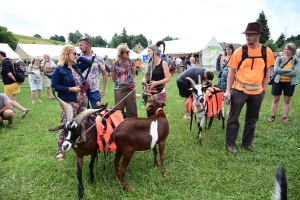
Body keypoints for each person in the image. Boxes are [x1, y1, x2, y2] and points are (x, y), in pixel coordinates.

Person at [223, 22, 275, 154]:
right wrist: (228, 91)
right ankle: (230, 143)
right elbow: (231, 72)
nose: (247, 37)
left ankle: (247, 143)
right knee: (234, 118)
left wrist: (263, 90)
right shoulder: (240, 51)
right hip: (239, 89)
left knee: (252, 119)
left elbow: (267, 71)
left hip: (257, 91)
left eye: (250, 34)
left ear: (258, 35)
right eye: (246, 34)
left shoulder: (266, 51)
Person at [52, 45, 92, 161]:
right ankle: (60, 151)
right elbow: (54, 86)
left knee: (80, 124)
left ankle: (76, 144)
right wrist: (70, 89)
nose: (77, 55)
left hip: (83, 100)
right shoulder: (59, 69)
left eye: (77, 53)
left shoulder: (76, 67)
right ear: (66, 54)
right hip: (70, 101)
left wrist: (77, 57)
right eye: (74, 53)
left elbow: (88, 63)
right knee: (66, 124)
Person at [267, 43, 299, 124]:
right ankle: (273, 116)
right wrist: (289, 70)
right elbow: (276, 70)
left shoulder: (296, 60)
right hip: (278, 81)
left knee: (287, 100)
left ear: (292, 50)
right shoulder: (279, 59)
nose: (286, 51)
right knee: (275, 99)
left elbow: (295, 72)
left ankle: (285, 117)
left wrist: (281, 71)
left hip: (290, 83)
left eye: (288, 49)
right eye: (285, 49)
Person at [142, 41, 170, 117]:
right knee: (150, 115)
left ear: (154, 51)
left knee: (158, 115)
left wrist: (156, 83)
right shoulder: (148, 64)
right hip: (149, 94)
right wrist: (144, 80)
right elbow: (144, 77)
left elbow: (168, 78)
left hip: (159, 93)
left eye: (149, 51)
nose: (148, 53)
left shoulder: (163, 63)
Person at [78, 37, 107, 109]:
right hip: (82, 89)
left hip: (94, 90)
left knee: (97, 111)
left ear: (88, 46)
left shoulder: (99, 58)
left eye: (81, 45)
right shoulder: (77, 58)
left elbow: (104, 74)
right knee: (84, 112)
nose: (79, 47)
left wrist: (103, 89)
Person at [111, 43, 137, 118]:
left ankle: (132, 127)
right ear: (121, 53)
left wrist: (129, 83)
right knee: (118, 111)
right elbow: (113, 77)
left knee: (132, 110)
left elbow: (133, 75)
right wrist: (121, 84)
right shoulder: (115, 64)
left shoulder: (132, 62)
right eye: (127, 52)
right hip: (119, 90)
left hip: (130, 90)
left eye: (129, 52)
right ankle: (119, 127)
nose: (129, 53)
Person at [0, 51, 29, 118]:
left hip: (10, 84)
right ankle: (14, 113)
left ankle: (23, 109)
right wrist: (17, 81)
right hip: (15, 84)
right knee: (13, 100)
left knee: (9, 101)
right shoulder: (10, 60)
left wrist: (16, 81)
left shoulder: (4, 62)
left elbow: (9, 74)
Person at [218, 44, 235, 115]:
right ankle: (220, 109)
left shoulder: (234, 57)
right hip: (223, 79)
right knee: (222, 94)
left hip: (231, 79)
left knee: (230, 94)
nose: (227, 51)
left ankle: (229, 110)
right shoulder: (222, 57)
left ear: (232, 50)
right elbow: (221, 67)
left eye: (229, 49)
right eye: (226, 49)